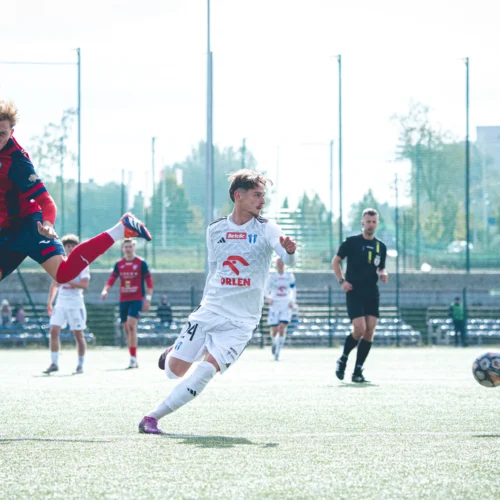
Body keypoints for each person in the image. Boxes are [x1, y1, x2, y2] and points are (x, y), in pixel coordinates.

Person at [138, 169, 297, 434]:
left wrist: (290, 252)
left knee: (206, 370)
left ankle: (151, 418)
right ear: (238, 196)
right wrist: (203, 306)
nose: (262, 201)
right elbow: (213, 271)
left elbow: (288, 258)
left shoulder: (268, 228)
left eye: (263, 196)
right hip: (210, 309)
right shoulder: (215, 229)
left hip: (242, 321)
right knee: (173, 371)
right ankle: (175, 350)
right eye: (257, 195)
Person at [0, 100, 152, 287]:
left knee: (63, 274)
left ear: (11, 132)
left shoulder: (17, 162)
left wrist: (48, 225)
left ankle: (121, 229)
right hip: (4, 230)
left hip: (30, 226)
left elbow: (46, 202)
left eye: (2, 134)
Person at [332, 208, 388, 383]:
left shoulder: (381, 246)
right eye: (368, 221)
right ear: (362, 222)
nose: (370, 225)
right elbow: (335, 262)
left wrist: (383, 273)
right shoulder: (351, 242)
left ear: (377, 224)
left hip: (371, 292)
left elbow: (381, 267)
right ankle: (343, 358)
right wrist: (342, 281)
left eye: (373, 222)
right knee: (360, 329)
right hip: (354, 291)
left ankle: (357, 370)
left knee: (370, 331)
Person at [101, 238, 154, 369]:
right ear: (122, 249)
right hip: (123, 299)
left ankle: (133, 359)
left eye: (130, 247)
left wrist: (147, 299)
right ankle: (132, 356)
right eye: (126, 247)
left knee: (131, 325)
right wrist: (105, 290)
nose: (128, 249)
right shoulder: (119, 264)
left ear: (134, 248)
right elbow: (112, 279)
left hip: (137, 298)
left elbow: (149, 283)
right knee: (127, 328)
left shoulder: (141, 263)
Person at [43, 234, 90, 375]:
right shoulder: (60, 263)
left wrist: (67, 279)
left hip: (75, 304)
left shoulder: (83, 264)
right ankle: (54, 363)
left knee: (78, 335)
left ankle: (80, 365)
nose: (70, 248)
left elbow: (84, 285)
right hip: (61, 303)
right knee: (53, 331)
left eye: (72, 246)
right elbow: (55, 284)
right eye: (67, 246)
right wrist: (50, 302)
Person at [265, 257, 296, 361]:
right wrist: (268, 298)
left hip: (286, 304)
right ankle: (274, 343)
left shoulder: (289, 276)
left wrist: (292, 301)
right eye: (279, 263)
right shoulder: (272, 276)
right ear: (276, 264)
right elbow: (266, 289)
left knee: (282, 328)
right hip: (274, 304)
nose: (280, 264)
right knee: (274, 330)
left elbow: (293, 289)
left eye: (282, 263)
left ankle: (278, 351)